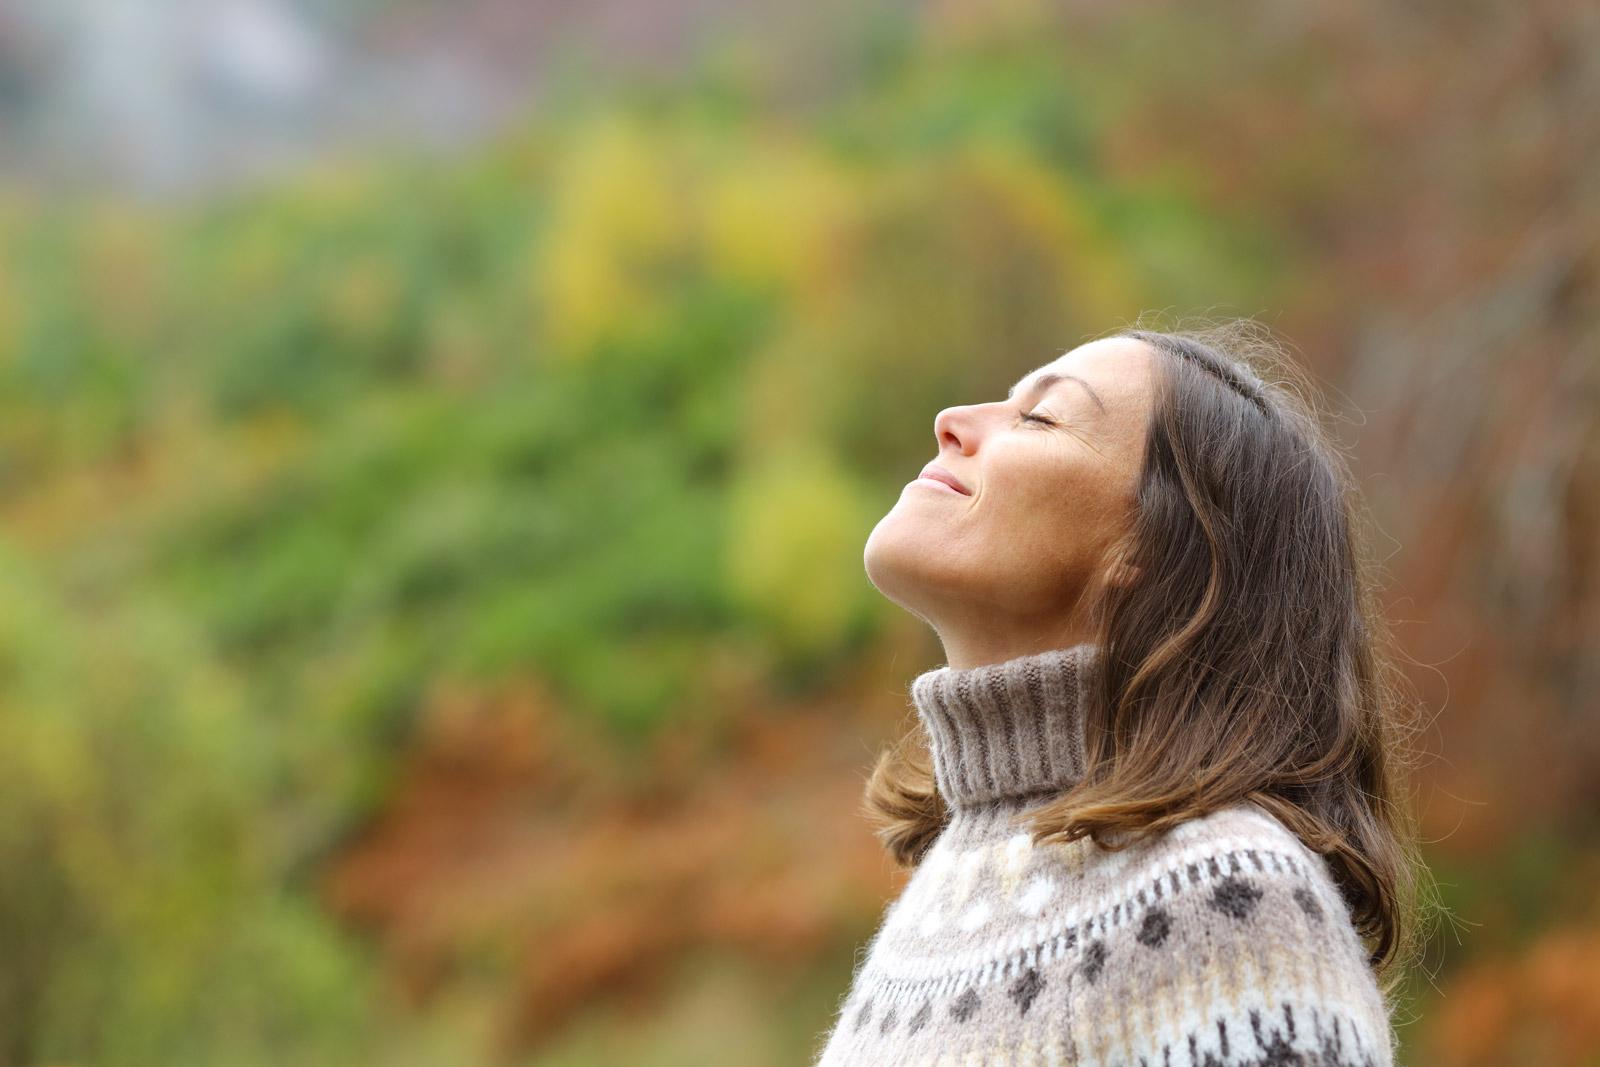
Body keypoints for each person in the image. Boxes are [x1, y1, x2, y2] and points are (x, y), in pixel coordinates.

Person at [811, 320, 1433, 1066]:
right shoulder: (945, 890)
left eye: (1039, 417)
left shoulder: (1222, 895)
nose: (952, 421)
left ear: (1152, 547)